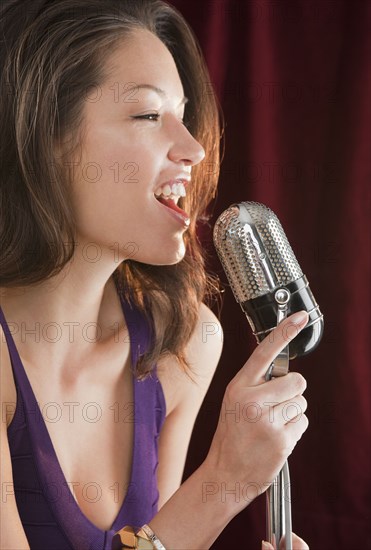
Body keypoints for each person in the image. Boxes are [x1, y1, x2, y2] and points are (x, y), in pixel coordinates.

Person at [0, 1, 309, 548]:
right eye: (147, 115)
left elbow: (159, 538)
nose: (193, 149)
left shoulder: (183, 345)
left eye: (185, 115)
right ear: (40, 136)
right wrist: (223, 484)